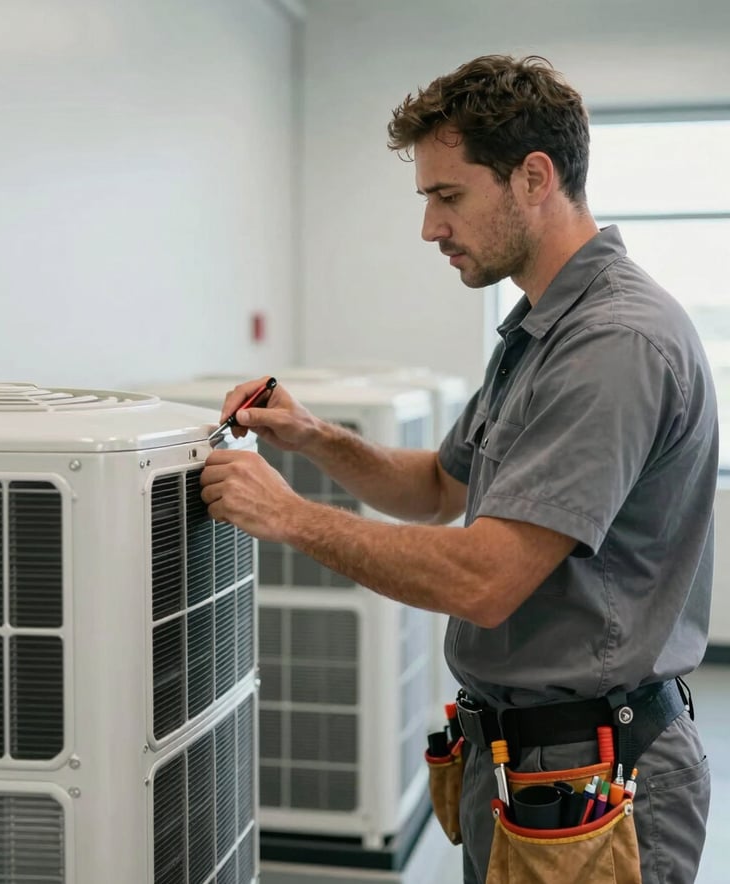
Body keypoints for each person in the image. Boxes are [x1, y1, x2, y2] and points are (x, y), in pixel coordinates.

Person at [201, 54, 718, 883]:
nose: (430, 228)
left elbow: (487, 578)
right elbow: (439, 489)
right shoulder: (540, 332)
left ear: (534, 178)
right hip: (525, 761)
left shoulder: (613, 344)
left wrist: (286, 515)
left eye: (449, 196)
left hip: (596, 778)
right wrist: (312, 436)